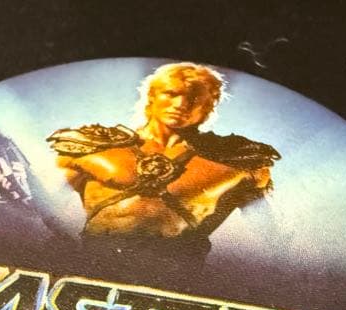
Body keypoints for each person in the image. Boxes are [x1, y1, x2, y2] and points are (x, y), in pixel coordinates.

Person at [47, 62, 279, 248]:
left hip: (176, 274)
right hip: (95, 262)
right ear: (152, 97)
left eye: (194, 98)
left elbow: (273, 236)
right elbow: (43, 206)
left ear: (209, 106)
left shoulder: (239, 162)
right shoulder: (91, 147)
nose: (181, 104)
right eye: (171, 93)